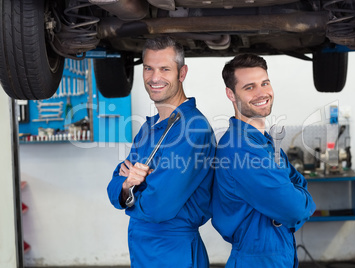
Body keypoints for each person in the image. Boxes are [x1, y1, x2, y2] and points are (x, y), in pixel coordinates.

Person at [107, 36, 215, 267]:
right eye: (148, 68)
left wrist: (131, 190)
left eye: (165, 69)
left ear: (182, 73)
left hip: (174, 252)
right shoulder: (150, 127)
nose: (154, 78)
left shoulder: (192, 128)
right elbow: (115, 185)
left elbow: (158, 206)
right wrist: (127, 186)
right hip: (144, 250)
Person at [212, 54, 316, 267]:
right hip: (259, 256)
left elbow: (297, 183)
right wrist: (300, 199)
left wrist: (294, 193)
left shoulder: (261, 141)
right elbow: (294, 208)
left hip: (274, 250)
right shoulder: (242, 148)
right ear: (230, 94)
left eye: (265, 83)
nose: (262, 93)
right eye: (249, 87)